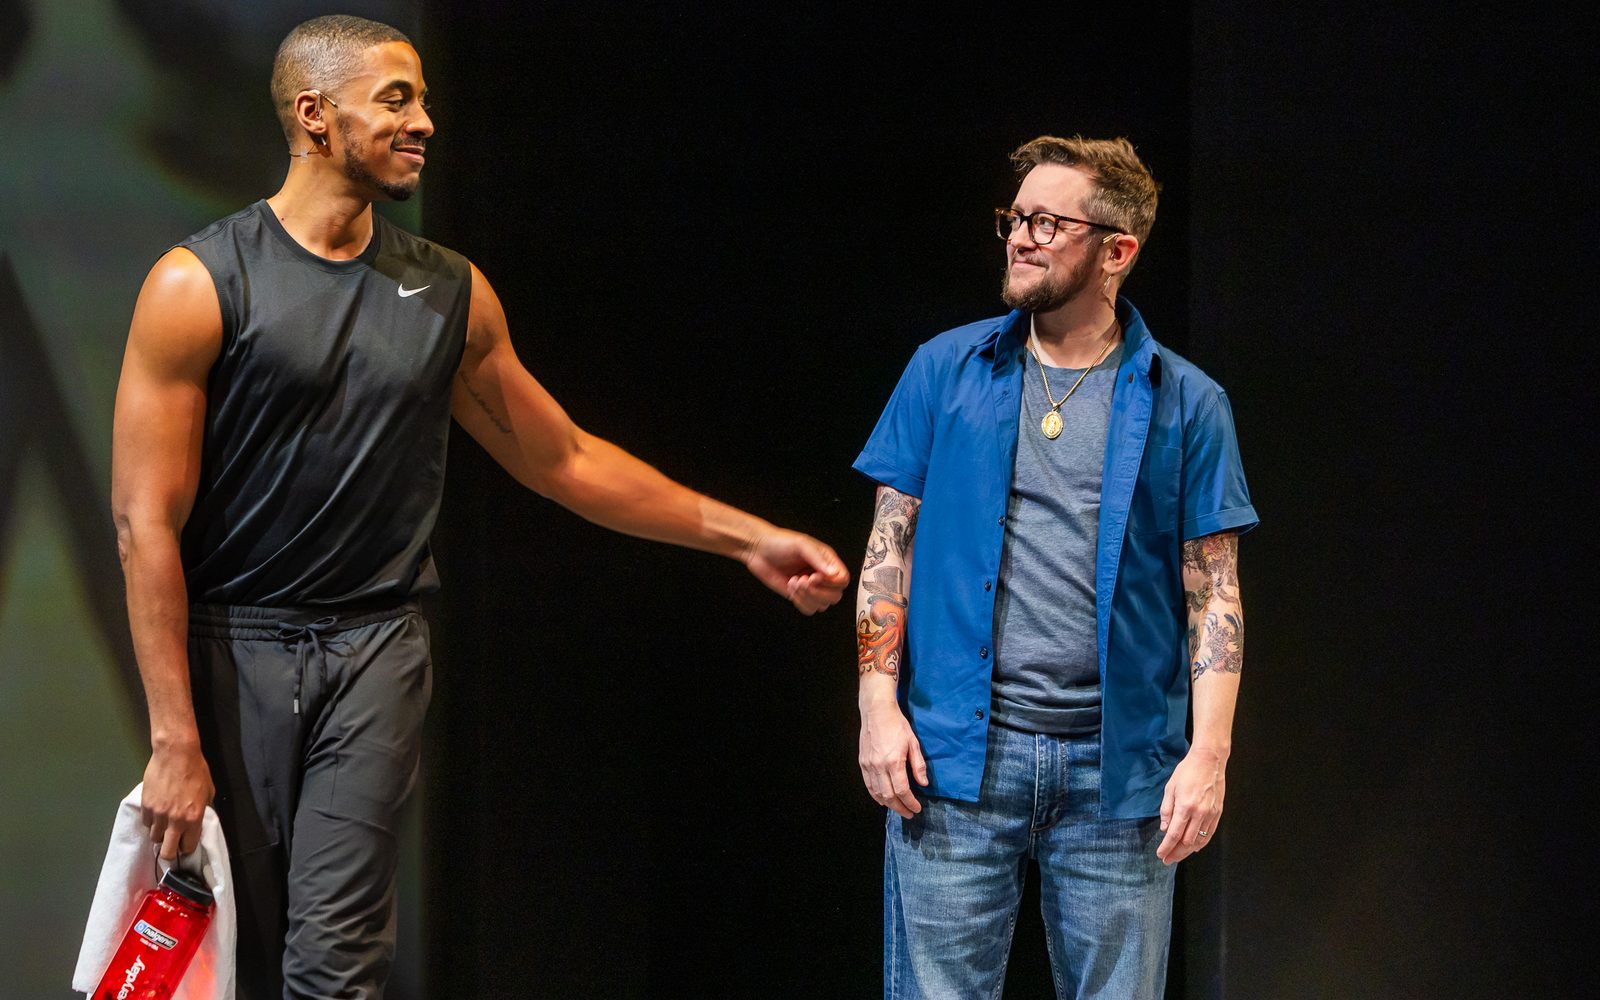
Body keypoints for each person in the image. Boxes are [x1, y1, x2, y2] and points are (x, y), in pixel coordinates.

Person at [110, 15, 848, 999]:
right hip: (230, 644)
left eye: (423, 98)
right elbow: (144, 523)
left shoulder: (447, 292)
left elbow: (566, 459)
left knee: (337, 965)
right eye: (396, 100)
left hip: (375, 649)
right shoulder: (199, 283)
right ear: (315, 116)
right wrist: (173, 735)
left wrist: (748, 537)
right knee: (217, 950)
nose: (425, 121)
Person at [852, 135, 1257, 999]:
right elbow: (890, 549)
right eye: (1015, 218)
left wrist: (1210, 756)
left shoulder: (1188, 402)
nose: (1019, 237)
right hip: (955, 764)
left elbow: (1215, 592)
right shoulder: (945, 369)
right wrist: (876, 708)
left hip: (1118, 774)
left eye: (1046, 222)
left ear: (1117, 251)